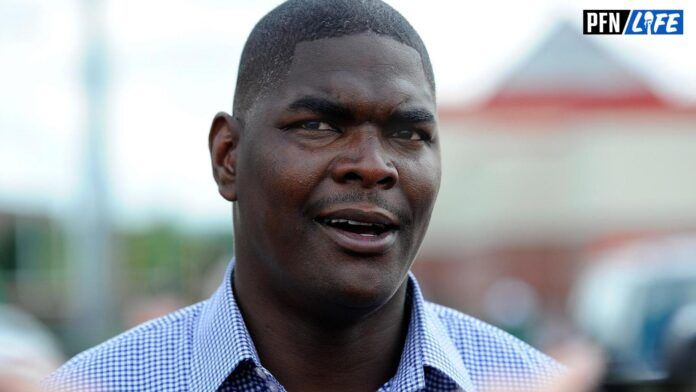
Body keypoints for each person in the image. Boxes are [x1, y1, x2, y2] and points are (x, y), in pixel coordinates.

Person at [44, 1, 563, 390]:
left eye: (408, 134)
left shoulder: (525, 379)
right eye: (319, 124)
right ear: (229, 156)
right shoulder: (100, 384)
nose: (373, 165)